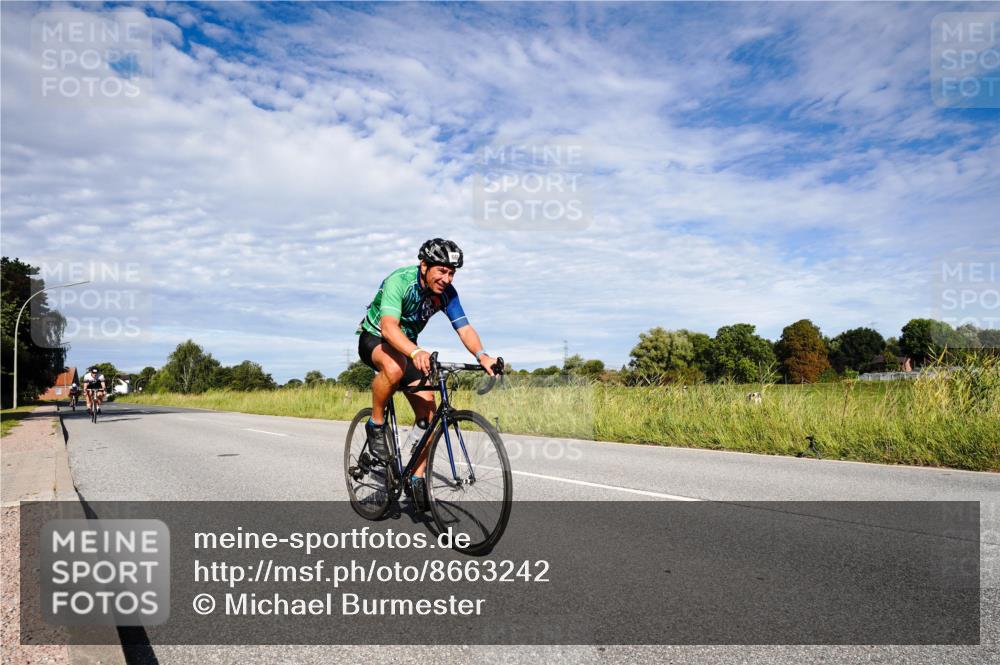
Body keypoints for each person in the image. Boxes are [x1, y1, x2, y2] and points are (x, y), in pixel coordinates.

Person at [356, 238, 499, 509]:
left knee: (431, 415)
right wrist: (415, 352)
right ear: (424, 265)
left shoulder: (447, 294)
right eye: (442, 271)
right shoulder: (400, 281)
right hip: (376, 339)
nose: (447, 278)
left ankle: (417, 478)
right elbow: (388, 327)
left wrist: (482, 356)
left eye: (452, 272)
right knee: (395, 367)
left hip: (406, 347)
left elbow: (465, 329)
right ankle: (375, 425)